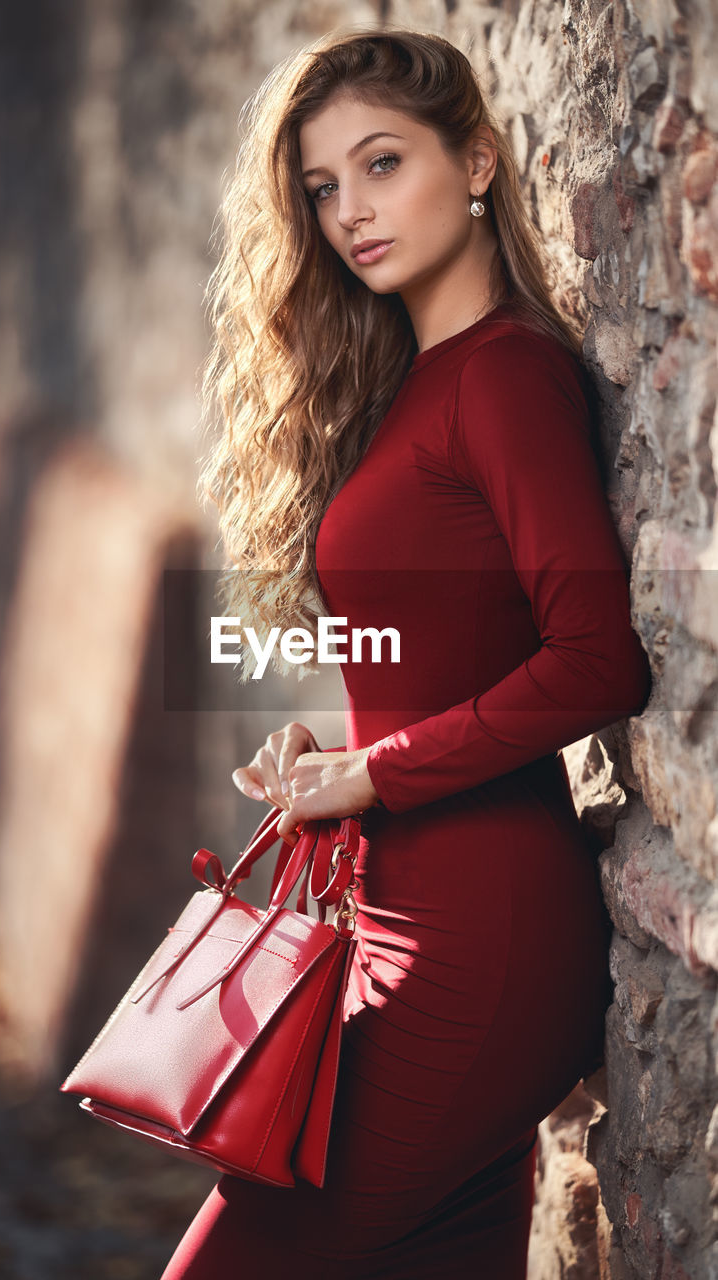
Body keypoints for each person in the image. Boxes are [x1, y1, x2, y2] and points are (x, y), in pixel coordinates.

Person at [160, 26, 652, 1280]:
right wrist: (342, 753)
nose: (348, 212)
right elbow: (449, 656)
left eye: (381, 165)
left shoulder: (505, 379)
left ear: (476, 159)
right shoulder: (420, 384)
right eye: (323, 188)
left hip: (475, 943)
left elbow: (596, 658)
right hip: (397, 913)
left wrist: (375, 774)